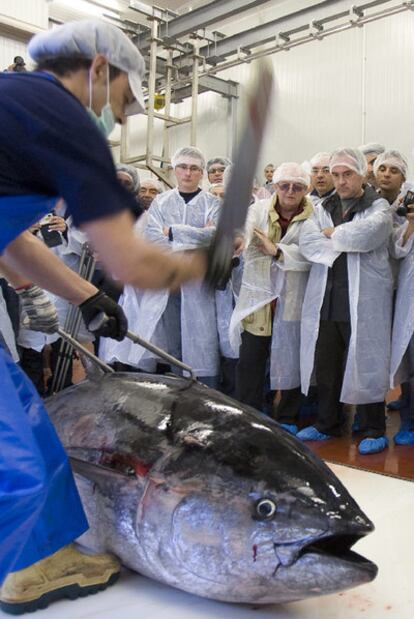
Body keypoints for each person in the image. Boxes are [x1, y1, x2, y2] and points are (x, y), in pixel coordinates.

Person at [0, 20, 209, 614]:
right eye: (122, 98)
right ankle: (12, 562)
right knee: (10, 459)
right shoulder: (61, 116)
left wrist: (86, 296)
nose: (118, 118)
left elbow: (12, 242)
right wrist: (204, 264)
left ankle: (44, 555)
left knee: (24, 418)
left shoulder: (12, 103)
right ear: (97, 70)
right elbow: (133, 261)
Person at [298, 148, 393, 455]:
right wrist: (340, 236)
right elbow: (308, 242)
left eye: (347, 174)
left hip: (363, 302)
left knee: (366, 362)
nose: (340, 181)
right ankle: (328, 423)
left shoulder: (377, 205)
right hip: (328, 299)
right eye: (335, 174)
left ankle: (372, 427)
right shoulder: (322, 205)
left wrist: (333, 234)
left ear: (362, 174)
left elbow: (368, 235)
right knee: (327, 366)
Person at [101, 146, 221, 385]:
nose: (188, 173)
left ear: (202, 173)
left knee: (199, 338)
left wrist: (175, 232)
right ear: (175, 170)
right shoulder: (161, 202)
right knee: (166, 339)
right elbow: (154, 238)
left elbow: (216, 237)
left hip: (197, 283)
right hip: (165, 282)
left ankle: (200, 395)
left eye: (194, 168)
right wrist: (197, 238)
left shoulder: (212, 203)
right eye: (183, 167)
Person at [230, 163, 313, 423]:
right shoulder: (259, 209)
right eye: (284, 185)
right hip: (259, 297)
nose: (290, 191)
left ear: (305, 190)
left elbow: (314, 254)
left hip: (292, 298)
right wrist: (239, 240)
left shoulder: (314, 215)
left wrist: (276, 250)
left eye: (297, 187)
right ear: (275, 186)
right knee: (251, 360)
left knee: (290, 358)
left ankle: (287, 417)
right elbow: (244, 227)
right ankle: (249, 415)